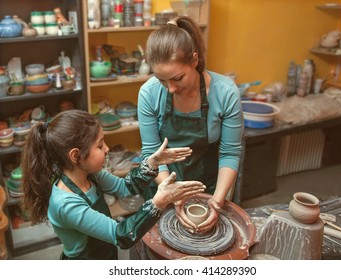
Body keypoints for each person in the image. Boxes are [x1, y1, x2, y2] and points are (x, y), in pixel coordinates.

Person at [21, 109, 206, 260]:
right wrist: (158, 202)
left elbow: (126, 187)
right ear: (76, 156)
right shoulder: (65, 203)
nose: (108, 149)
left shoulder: (91, 174)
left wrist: (152, 163)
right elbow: (121, 235)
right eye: (100, 146)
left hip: (106, 252)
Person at [137, 16, 243, 234]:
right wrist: (172, 194)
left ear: (194, 60)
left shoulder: (225, 92)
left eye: (178, 78)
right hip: (164, 181)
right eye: (162, 80)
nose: (171, 88)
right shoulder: (149, 93)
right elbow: (151, 151)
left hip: (211, 184)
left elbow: (230, 152)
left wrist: (217, 201)